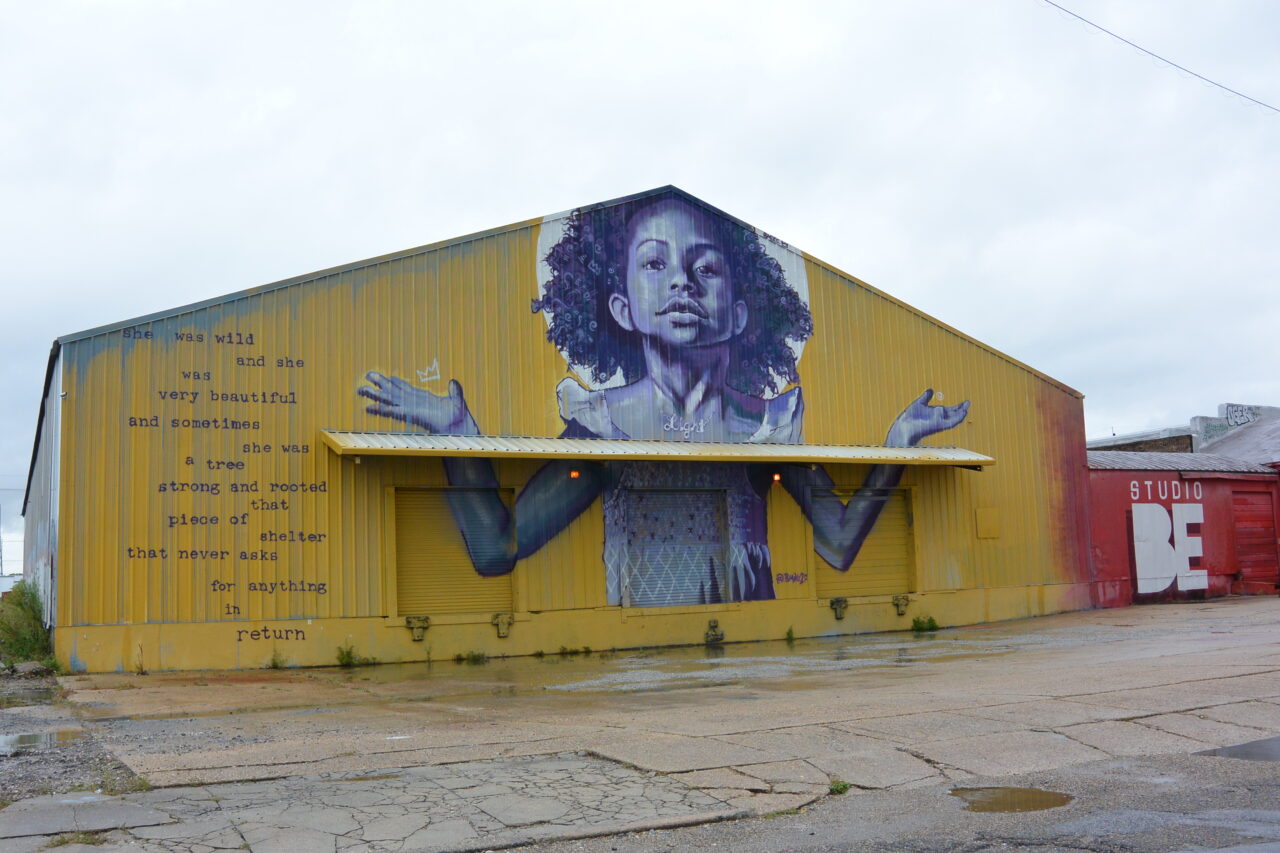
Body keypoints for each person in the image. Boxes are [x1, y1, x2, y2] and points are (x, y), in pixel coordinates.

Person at [359, 194, 969, 605]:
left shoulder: (769, 430)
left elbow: (836, 544)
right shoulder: (602, 431)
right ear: (622, 307)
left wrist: (898, 448)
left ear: (735, 315)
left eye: (705, 268)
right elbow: (498, 549)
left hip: (750, 684)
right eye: (654, 262)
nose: (681, 280)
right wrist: (455, 431)